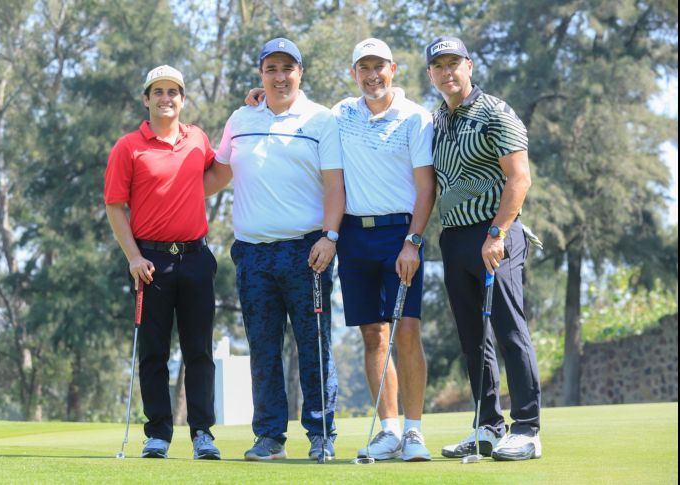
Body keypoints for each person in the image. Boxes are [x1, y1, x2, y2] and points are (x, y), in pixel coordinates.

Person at [245, 38, 436, 462]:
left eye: (379, 67)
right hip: (353, 236)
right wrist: (260, 97)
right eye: (363, 68)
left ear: (394, 69)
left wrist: (414, 240)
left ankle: (415, 431)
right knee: (373, 334)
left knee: (406, 328)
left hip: (401, 234)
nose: (372, 76)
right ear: (354, 74)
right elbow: (294, 104)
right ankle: (388, 431)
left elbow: (426, 187)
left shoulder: (415, 118)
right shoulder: (339, 115)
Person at [203, 37, 345, 461]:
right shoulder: (241, 118)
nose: (280, 76)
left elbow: (336, 186)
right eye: (272, 69)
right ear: (261, 74)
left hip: (308, 251)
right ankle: (269, 438)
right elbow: (214, 177)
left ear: (300, 73)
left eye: (288, 68)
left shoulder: (321, 121)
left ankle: (321, 436)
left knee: (313, 345)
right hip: (252, 254)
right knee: (263, 348)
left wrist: (330, 237)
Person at [425, 36, 543, 461]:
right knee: (473, 338)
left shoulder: (496, 112)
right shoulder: (435, 120)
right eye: (439, 66)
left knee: (511, 330)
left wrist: (497, 234)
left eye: (454, 63)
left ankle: (527, 429)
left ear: (469, 66)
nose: (447, 72)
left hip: (496, 234)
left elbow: (520, 178)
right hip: (453, 237)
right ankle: (488, 426)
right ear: (430, 74)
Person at [105, 65, 221, 460]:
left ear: (183, 98)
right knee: (153, 352)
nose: (166, 98)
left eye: (173, 91)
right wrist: (133, 256)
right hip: (149, 261)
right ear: (146, 98)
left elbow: (214, 176)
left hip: (195, 257)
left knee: (199, 351)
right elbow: (115, 206)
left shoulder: (198, 139)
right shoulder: (128, 147)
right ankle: (157, 434)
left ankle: (203, 432)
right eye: (158, 92)